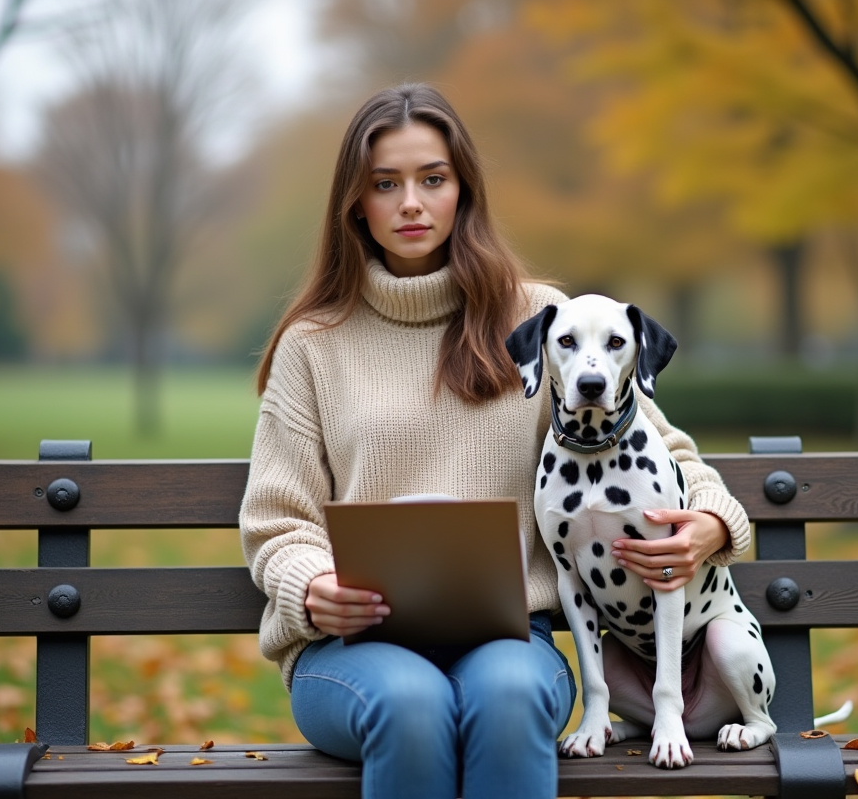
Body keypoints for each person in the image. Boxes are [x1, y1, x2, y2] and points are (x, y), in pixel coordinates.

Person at [239, 83, 751, 799]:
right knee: (412, 704)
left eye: (433, 180)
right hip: (352, 652)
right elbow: (276, 521)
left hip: (512, 644)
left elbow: (668, 452)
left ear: (463, 192)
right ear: (355, 202)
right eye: (386, 184)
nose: (411, 203)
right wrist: (310, 588)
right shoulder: (312, 347)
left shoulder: (545, 321)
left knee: (507, 698)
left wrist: (710, 524)